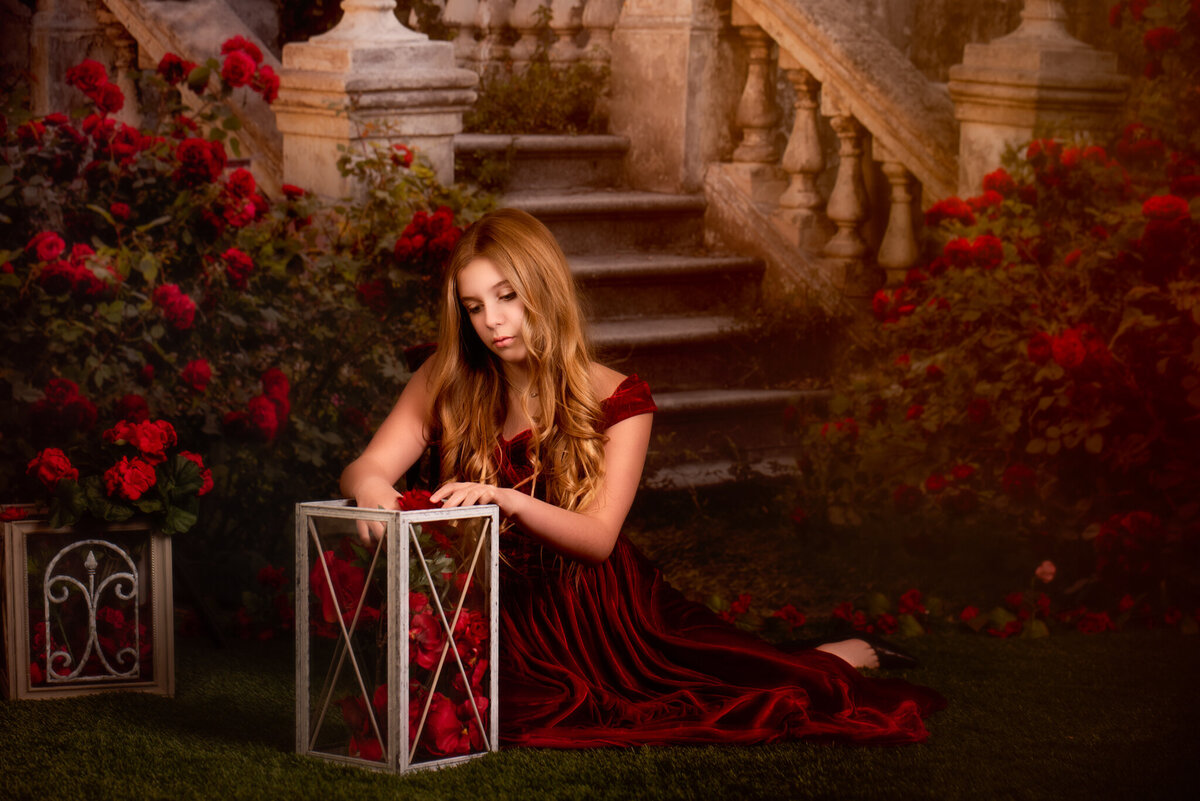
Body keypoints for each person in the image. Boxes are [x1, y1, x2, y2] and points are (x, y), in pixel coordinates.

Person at [339, 207, 944, 748]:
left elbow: (598, 538)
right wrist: (376, 493)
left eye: (508, 297)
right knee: (482, 712)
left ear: (545, 292)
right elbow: (365, 466)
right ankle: (811, 652)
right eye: (474, 307)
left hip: (588, 604)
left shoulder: (619, 399)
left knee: (717, 681)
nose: (493, 321)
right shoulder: (446, 379)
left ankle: (840, 653)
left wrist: (503, 500)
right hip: (487, 601)